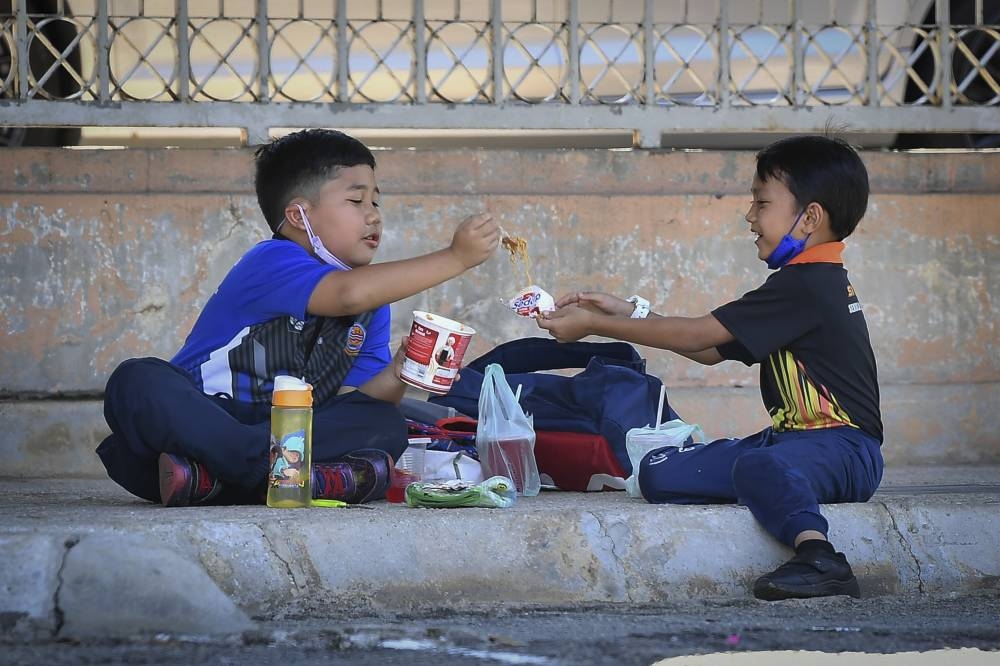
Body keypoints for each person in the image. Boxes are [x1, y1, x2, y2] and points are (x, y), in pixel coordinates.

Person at [536, 135, 882, 601]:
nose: (750, 217)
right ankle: (770, 481)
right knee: (659, 474)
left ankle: (820, 556)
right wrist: (628, 312)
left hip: (845, 448)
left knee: (760, 463)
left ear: (811, 217)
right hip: (792, 444)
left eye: (761, 203)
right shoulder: (800, 284)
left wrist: (597, 324)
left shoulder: (808, 285)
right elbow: (710, 350)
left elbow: (699, 335)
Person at [97, 128, 499, 507]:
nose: (374, 215)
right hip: (211, 420)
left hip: (292, 435)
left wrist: (398, 371)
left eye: (376, 202)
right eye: (356, 201)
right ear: (297, 216)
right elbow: (345, 294)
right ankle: (280, 474)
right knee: (136, 380)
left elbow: (354, 401)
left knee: (385, 423)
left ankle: (219, 479)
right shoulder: (271, 260)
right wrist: (455, 258)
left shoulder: (372, 303)